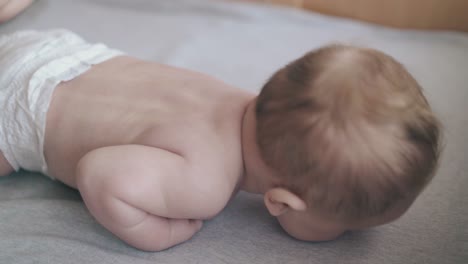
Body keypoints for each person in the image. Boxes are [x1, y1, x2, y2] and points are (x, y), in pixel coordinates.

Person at [0, 29, 441, 251]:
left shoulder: (243, 98)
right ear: (281, 201)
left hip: (57, 48)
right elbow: (97, 174)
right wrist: (154, 232)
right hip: (17, 110)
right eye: (344, 226)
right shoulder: (204, 185)